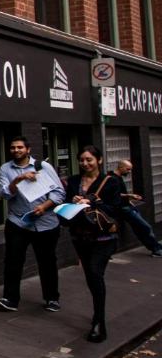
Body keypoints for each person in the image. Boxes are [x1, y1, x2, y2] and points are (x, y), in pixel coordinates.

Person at [0, 136, 65, 312]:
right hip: (18, 222)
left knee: (47, 261)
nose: (16, 150)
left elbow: (59, 193)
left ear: (28, 149)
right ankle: (10, 299)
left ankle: (52, 298)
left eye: (19, 147)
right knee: (12, 261)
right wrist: (18, 179)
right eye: (13, 148)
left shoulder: (43, 167)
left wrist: (44, 207)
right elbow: (4, 194)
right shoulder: (5, 168)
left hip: (46, 222)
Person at [64, 146, 122, 343]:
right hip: (81, 237)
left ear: (99, 160)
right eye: (81, 160)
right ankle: (98, 311)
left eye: (89, 159)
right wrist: (72, 201)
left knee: (96, 272)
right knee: (90, 275)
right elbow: (64, 205)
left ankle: (99, 322)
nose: (85, 163)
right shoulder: (73, 181)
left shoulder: (112, 182)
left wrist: (92, 202)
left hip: (104, 239)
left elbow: (116, 209)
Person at [108, 159, 162, 257]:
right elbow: (113, 194)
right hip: (123, 208)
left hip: (127, 206)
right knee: (145, 227)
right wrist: (130, 195)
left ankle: (156, 247)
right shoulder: (112, 178)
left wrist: (129, 200)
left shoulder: (118, 177)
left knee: (140, 228)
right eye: (128, 169)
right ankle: (156, 249)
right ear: (121, 167)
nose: (129, 172)